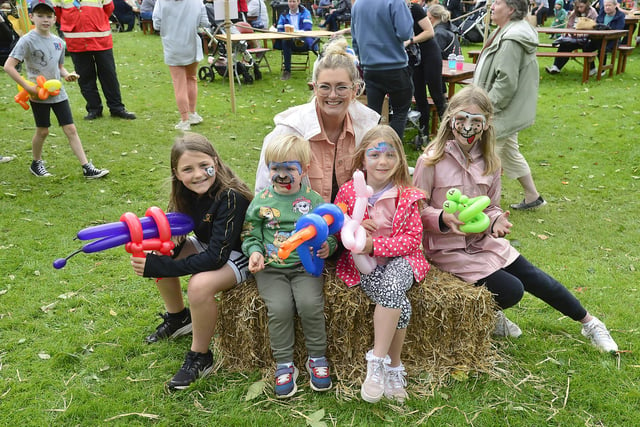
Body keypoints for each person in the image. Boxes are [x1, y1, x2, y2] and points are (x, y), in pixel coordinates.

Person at [412, 85, 618, 354]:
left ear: (486, 125)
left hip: (482, 243)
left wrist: (497, 220)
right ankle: (488, 313)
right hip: (447, 250)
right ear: (450, 118)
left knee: (536, 277)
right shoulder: (430, 161)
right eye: (461, 118)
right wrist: (442, 217)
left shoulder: (490, 162)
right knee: (512, 290)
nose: (467, 127)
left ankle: (590, 323)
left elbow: (492, 206)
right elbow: (415, 210)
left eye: (476, 121)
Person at [130, 132, 252, 390]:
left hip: (240, 255)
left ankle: (201, 356)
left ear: (216, 163)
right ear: (176, 173)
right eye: (187, 169)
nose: (197, 174)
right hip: (211, 246)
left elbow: (216, 258)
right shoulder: (183, 193)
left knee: (199, 285)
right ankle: (178, 318)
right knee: (159, 253)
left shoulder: (231, 197)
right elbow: (179, 235)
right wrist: (170, 245)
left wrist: (163, 267)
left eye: (203, 165)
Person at [334, 124, 430, 404]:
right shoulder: (350, 193)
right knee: (402, 303)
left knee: (391, 286)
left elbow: (412, 240)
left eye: (390, 155)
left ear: (400, 160)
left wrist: (374, 244)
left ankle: (375, 362)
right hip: (365, 265)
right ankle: (394, 366)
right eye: (375, 155)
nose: (383, 162)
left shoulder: (407, 195)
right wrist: (354, 226)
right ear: (362, 158)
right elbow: (339, 228)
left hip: (403, 260)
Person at [242, 135, 336, 398]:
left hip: (305, 267)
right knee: (280, 308)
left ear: (304, 169)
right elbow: (250, 233)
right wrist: (255, 252)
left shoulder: (314, 201)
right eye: (275, 168)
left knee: (310, 305)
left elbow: (328, 231)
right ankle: (284, 364)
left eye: (289, 168)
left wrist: (329, 246)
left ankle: (317, 358)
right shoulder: (261, 201)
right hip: (272, 269)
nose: (281, 175)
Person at [255, 37, 380, 203]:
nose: (333, 95)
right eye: (325, 87)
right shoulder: (288, 132)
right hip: (298, 224)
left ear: (355, 90)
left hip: (354, 224)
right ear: (314, 88)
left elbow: (383, 184)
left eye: (341, 87)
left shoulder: (368, 129)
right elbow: (263, 192)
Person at [4, 0, 109, 179]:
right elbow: (8, 66)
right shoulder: (26, 40)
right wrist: (29, 87)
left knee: (71, 129)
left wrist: (67, 74)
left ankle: (86, 167)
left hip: (58, 93)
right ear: (31, 17)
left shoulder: (59, 42)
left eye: (49, 16)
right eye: (40, 16)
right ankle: (36, 163)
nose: (45, 20)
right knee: (43, 131)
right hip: (38, 94)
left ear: (54, 19)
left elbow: (59, 67)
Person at [473, 0, 544, 210]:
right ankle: (533, 196)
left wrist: (485, 108)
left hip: (501, 109)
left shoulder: (512, 38)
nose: (491, 6)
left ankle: (482, 205)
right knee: (510, 152)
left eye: (497, 2)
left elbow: (505, 83)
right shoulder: (507, 31)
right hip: (505, 108)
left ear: (511, 9)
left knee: (482, 154)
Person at [53, 0, 136, 120]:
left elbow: (108, 8)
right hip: (76, 41)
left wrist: (96, 22)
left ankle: (117, 108)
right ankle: (94, 109)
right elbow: (58, 14)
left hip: (101, 39)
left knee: (109, 75)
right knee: (85, 77)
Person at [351, 0, 414, 140]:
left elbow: (354, 38)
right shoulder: (395, 2)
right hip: (395, 66)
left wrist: (362, 60)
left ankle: (371, 150)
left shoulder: (358, 4)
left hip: (370, 67)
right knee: (400, 113)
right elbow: (405, 33)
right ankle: (392, 150)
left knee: (373, 116)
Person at [153, 0, 209, 131]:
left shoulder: (161, 2)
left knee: (179, 83)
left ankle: (185, 119)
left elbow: (156, 24)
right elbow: (204, 23)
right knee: (191, 78)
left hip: (172, 44)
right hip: (191, 43)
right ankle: (192, 113)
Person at [407, 0, 447, 149]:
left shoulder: (414, 8)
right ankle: (423, 134)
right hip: (414, 56)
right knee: (419, 96)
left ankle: (448, 132)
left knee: (436, 94)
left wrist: (410, 41)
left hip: (429, 53)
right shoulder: (394, 11)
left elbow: (430, 32)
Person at [544, 0, 597, 74]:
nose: (579, 9)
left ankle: (591, 69)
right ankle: (556, 67)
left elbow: (595, 27)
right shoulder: (574, 13)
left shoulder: (592, 12)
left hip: (587, 39)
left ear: (586, 5)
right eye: (577, 7)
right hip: (574, 38)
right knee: (564, 44)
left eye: (581, 7)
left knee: (587, 47)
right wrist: (572, 33)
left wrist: (583, 33)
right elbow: (569, 26)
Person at [275, 0, 316, 81]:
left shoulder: (305, 12)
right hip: (289, 42)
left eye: (294, 1)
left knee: (288, 42)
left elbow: (307, 28)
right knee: (286, 41)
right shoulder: (284, 14)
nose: (292, 4)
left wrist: (297, 34)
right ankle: (287, 71)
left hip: (303, 42)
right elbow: (279, 29)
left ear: (298, 2)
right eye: (290, 1)